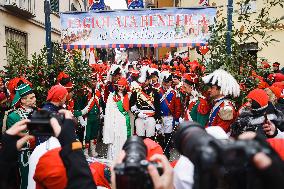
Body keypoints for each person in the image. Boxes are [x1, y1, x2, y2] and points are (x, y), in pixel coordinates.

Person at [6, 83, 36, 189]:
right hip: (24, 156)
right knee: (26, 182)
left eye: (34, 96)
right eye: (31, 98)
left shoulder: (38, 112)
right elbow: (16, 141)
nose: (35, 99)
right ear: (23, 100)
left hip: (39, 153)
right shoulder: (13, 116)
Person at [130, 66, 162, 139]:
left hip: (151, 118)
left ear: (149, 80)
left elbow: (157, 107)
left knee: (150, 139)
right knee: (140, 138)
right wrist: (137, 113)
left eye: (145, 81)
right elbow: (131, 104)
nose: (143, 83)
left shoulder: (155, 91)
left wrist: (158, 121)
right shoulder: (136, 91)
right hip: (139, 117)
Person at [103, 77, 131, 160]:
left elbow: (127, 108)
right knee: (115, 139)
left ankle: (122, 158)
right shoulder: (112, 95)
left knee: (123, 139)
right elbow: (109, 109)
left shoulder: (127, 95)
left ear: (125, 86)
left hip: (124, 122)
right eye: (119, 86)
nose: (121, 88)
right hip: (115, 120)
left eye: (122, 86)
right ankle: (113, 159)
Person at [158, 71, 181, 158]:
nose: (167, 84)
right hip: (160, 117)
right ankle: (161, 150)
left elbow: (177, 107)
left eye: (169, 82)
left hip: (169, 117)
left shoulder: (174, 92)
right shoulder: (158, 91)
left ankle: (166, 152)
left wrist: (176, 120)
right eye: (166, 82)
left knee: (168, 135)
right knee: (160, 135)